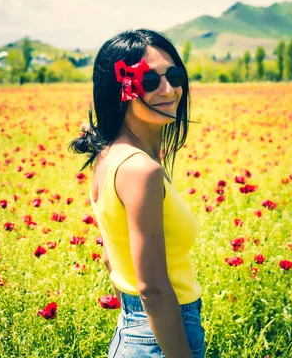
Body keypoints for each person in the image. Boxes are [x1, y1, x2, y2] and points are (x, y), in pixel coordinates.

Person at [69, 28, 205, 358]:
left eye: (174, 75)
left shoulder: (110, 153)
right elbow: (154, 289)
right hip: (162, 336)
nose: (169, 89)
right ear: (123, 90)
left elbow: (110, 258)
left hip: (138, 330)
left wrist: (135, 314)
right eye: (149, 81)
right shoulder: (140, 169)